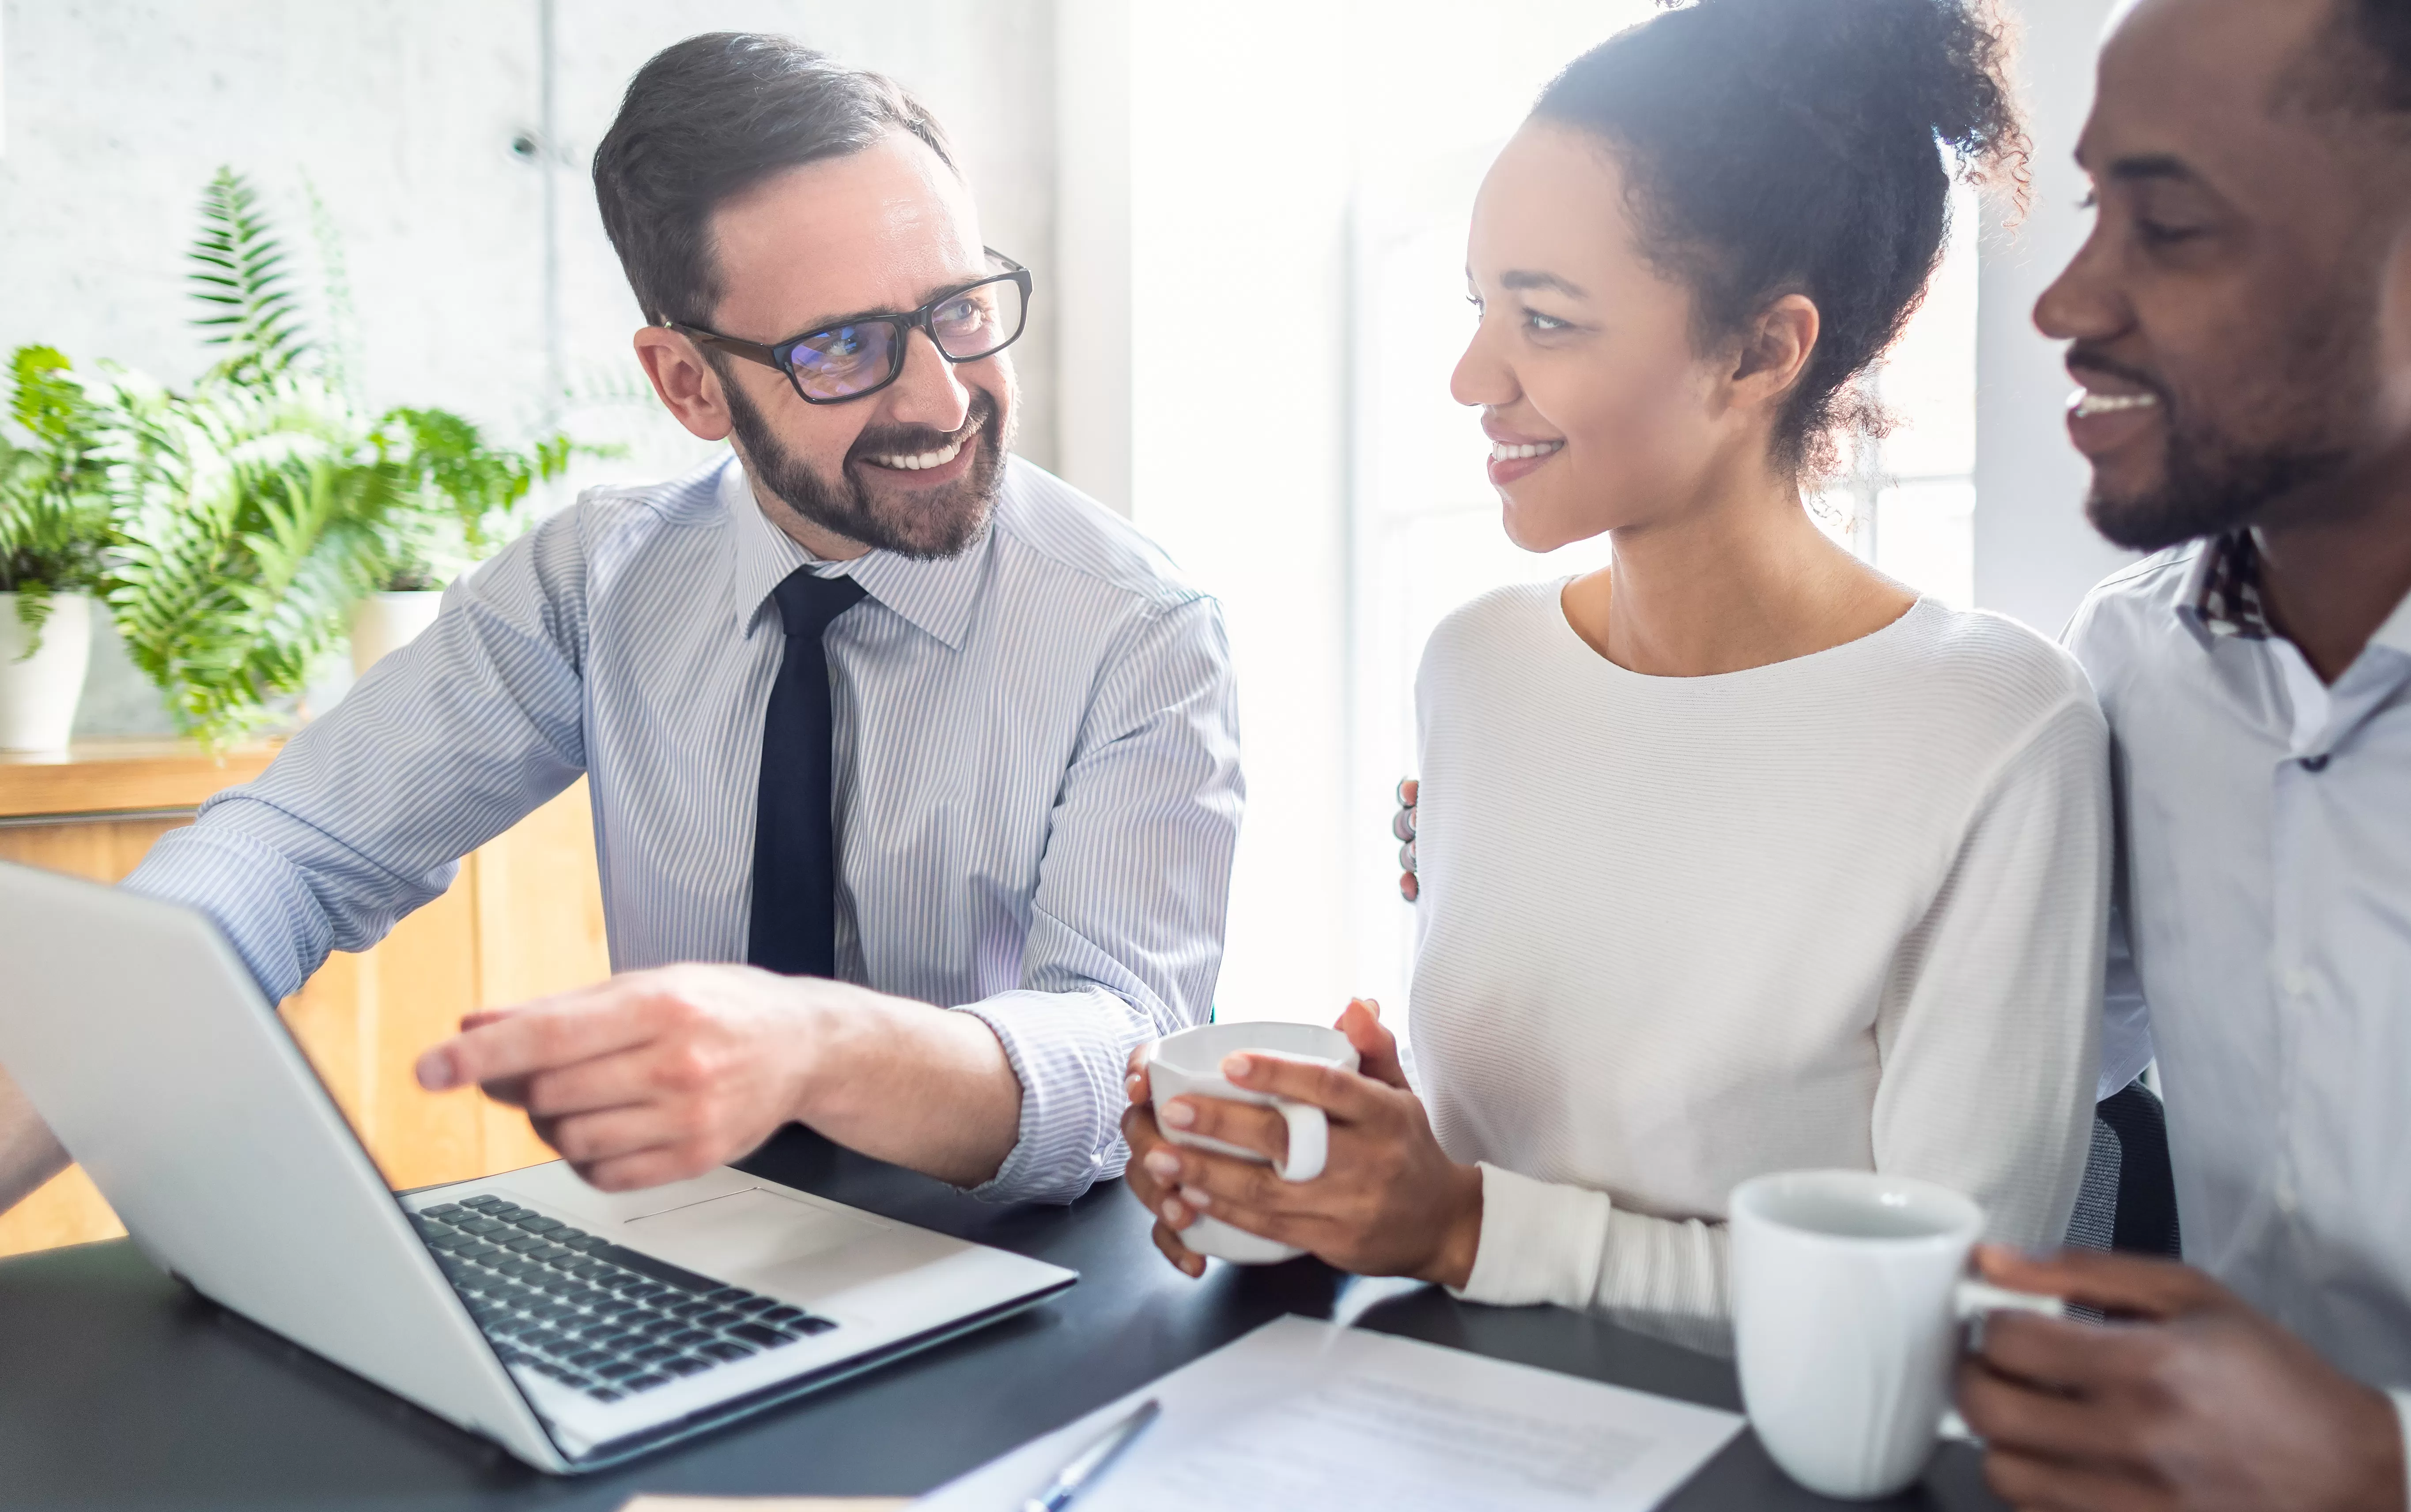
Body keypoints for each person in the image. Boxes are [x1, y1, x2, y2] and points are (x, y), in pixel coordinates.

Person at [0, 34, 1243, 1218]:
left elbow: (1119, 1050)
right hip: (696, 1240)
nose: (940, 398)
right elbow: (293, 847)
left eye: (961, 309)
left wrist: (816, 1048)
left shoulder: (1136, 629)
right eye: (842, 349)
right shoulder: (596, 580)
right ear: (688, 384)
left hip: (1023, 1265)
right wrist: (80, 1046)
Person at [1121, 0, 2108, 1350]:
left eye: (1545, 320)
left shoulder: (1993, 728)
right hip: (1435, 1430)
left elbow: (1951, 1309)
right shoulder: (1479, 666)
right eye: (1481, 305)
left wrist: (1462, 1226)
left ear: (1764, 350)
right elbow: (1514, 1163)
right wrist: (1331, 1164)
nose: (1473, 376)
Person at [1953, 0, 2411, 1512]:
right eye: (2091, 209)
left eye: (2171, 225)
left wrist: (2387, 1487)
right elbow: (2018, 1059)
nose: (2067, 303)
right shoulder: (2134, 667)